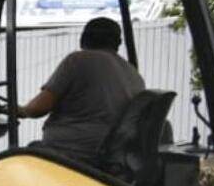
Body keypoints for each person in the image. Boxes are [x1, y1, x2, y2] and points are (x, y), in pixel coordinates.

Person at [17, 17, 145, 164]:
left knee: (17, 160)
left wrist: (19, 110)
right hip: (109, 152)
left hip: (73, 152)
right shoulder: (132, 72)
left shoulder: (78, 60)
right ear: (118, 43)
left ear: (83, 38)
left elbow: (37, 109)